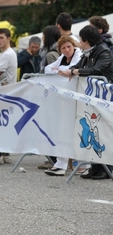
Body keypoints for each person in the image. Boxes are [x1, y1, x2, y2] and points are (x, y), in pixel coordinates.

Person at [59, 25, 113, 180]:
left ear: (86, 40)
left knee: (104, 131)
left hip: (105, 98)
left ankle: (105, 168)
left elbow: (97, 70)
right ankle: (94, 167)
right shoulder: (87, 53)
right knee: (92, 130)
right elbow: (78, 67)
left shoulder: (103, 52)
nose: (79, 43)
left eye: (80, 39)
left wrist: (75, 72)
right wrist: (69, 71)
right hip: (91, 99)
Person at [43, 35, 83, 176]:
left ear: (74, 46)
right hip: (64, 100)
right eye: (63, 48)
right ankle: (61, 164)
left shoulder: (79, 55)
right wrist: (60, 71)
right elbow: (48, 69)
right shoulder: (62, 58)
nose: (66, 50)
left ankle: (82, 164)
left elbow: (73, 69)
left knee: (78, 130)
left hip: (77, 99)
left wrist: (61, 70)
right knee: (62, 130)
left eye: (69, 47)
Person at [0, 28, 18, 165]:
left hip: (4, 93)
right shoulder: (5, 54)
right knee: (5, 124)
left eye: (1, 37)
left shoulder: (6, 54)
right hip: (5, 92)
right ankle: (5, 153)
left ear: (8, 38)